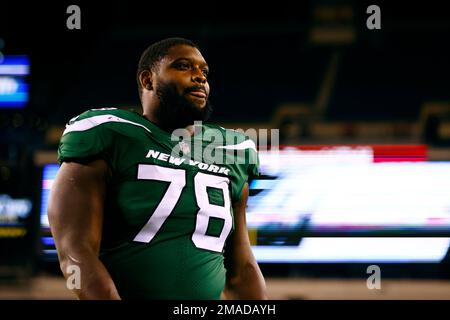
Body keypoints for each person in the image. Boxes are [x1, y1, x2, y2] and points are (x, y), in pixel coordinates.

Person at [48, 37, 267, 300]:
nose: (200, 77)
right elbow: (74, 250)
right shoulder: (109, 133)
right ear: (147, 80)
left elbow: (241, 267)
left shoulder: (233, 150)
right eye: (184, 66)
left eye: (204, 72)